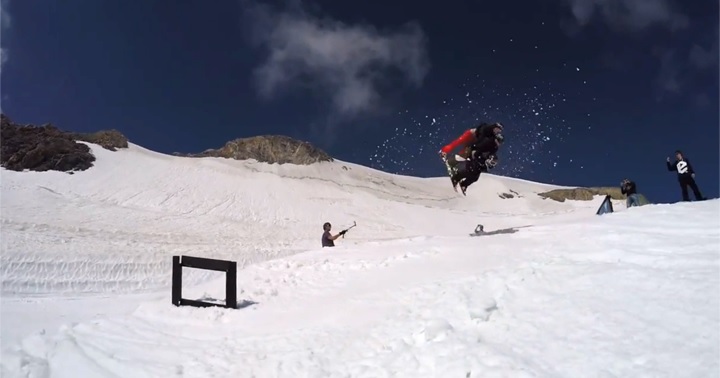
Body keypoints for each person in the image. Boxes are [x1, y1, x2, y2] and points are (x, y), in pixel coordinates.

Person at [439, 122, 504, 193]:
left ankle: (462, 182)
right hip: (472, 136)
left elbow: (487, 149)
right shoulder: (487, 130)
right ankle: (447, 154)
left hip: (477, 144)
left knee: (471, 163)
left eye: (499, 131)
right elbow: (481, 138)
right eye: (497, 129)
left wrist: (488, 158)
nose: (497, 131)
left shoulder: (493, 139)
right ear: (494, 127)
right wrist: (474, 147)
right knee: (459, 143)